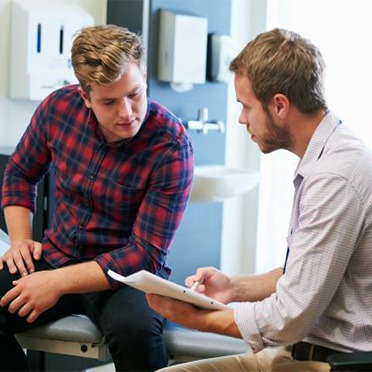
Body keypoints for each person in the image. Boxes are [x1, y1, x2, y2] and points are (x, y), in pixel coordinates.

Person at [146, 28, 372, 372]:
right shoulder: (328, 154)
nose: (241, 119)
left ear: (279, 105)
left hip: (331, 363)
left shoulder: (334, 176)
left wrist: (195, 318)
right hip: (298, 352)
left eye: (246, 106)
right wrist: (232, 288)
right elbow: (305, 272)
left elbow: (288, 317)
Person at [0, 24, 193, 371]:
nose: (127, 112)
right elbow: (19, 173)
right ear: (84, 97)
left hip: (126, 278)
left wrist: (56, 283)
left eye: (134, 93)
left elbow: (145, 253)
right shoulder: (59, 109)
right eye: (109, 101)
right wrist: (19, 242)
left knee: (136, 331)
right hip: (56, 256)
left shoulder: (171, 146)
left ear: (144, 76)